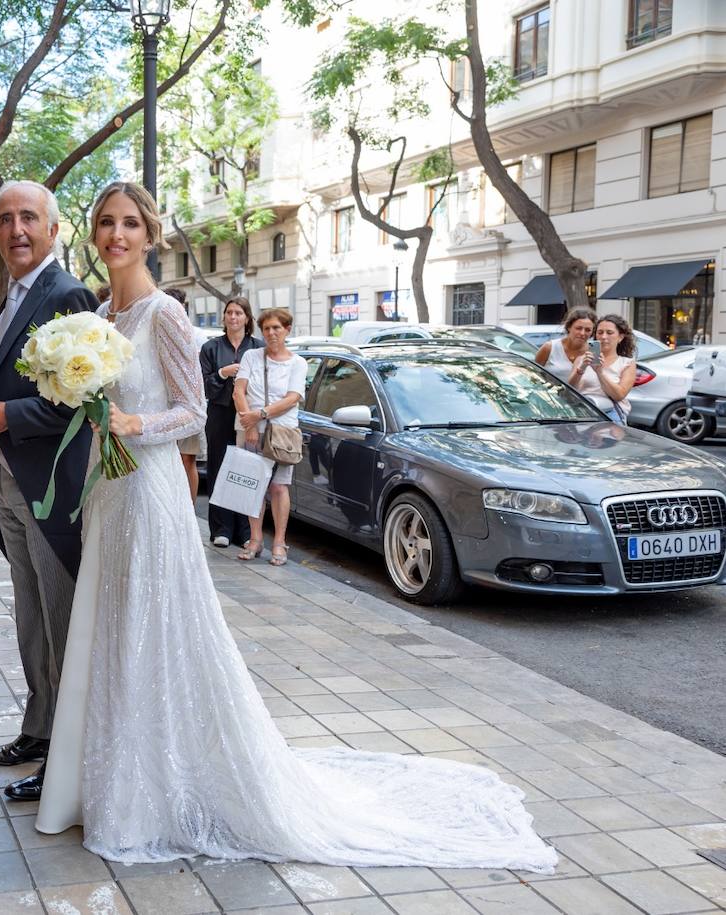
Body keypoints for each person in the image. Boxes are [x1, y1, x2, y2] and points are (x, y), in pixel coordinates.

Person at [34, 180, 556, 876]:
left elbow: (192, 413)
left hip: (151, 493)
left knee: (155, 631)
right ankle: (112, 781)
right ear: (92, 233)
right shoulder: (101, 314)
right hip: (111, 493)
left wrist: (134, 423)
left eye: (131, 223)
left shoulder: (162, 313)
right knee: (115, 630)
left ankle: (153, 796)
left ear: (150, 234)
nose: (117, 235)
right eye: (106, 222)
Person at [0, 179, 99, 802]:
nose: (16, 229)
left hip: (49, 492)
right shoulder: (13, 295)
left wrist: (7, 418)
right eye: (4, 220)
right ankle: (39, 730)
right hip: (7, 484)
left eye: (28, 218)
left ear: (52, 227)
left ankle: (67, 760)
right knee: (31, 622)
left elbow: (80, 403)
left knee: (63, 622)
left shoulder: (67, 293)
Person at [233, 307, 306, 564]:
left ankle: (279, 542)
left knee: (278, 487)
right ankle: (255, 539)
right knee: (252, 484)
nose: (271, 333)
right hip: (251, 429)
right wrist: (250, 423)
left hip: (282, 432)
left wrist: (259, 414)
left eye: (277, 328)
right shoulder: (252, 356)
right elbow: (238, 391)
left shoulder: (298, 363)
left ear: (287, 330)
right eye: (266, 329)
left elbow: (292, 398)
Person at [201, 295, 262, 546]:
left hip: (249, 415)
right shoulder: (211, 348)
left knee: (247, 470)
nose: (233, 317)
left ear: (247, 318)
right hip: (220, 414)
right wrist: (222, 373)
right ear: (224, 317)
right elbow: (203, 386)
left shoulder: (258, 347)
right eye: (229, 313)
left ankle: (246, 532)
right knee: (219, 469)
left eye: (238, 313)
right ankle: (221, 529)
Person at [165, 287, 203, 503]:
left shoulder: (195, 334)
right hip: (162, 405)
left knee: (187, 459)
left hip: (188, 405)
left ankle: (189, 508)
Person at [535, 307, 602, 404]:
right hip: (550, 402)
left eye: (588, 330)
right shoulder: (549, 348)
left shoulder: (593, 351)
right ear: (569, 327)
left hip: (583, 406)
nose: (582, 333)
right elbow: (534, 376)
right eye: (578, 328)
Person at [589, 314, 636, 423]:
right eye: (600, 332)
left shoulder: (627, 363)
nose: (604, 337)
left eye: (609, 333)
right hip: (582, 413)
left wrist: (600, 372)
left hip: (610, 415)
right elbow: (570, 389)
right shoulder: (584, 359)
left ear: (620, 337)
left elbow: (619, 395)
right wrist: (581, 368)